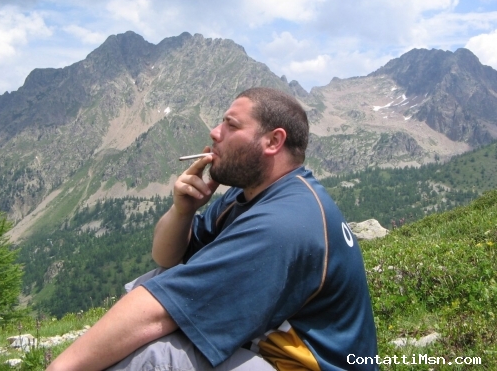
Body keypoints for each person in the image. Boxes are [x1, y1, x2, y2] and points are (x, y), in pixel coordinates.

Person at [47, 87, 378, 371]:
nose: (215, 132)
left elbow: (160, 309)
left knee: (156, 357)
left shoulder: (283, 222)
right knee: (152, 285)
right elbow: (167, 259)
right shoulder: (247, 194)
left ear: (273, 141)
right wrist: (183, 211)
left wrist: (60, 366)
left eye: (230, 125)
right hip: (266, 352)